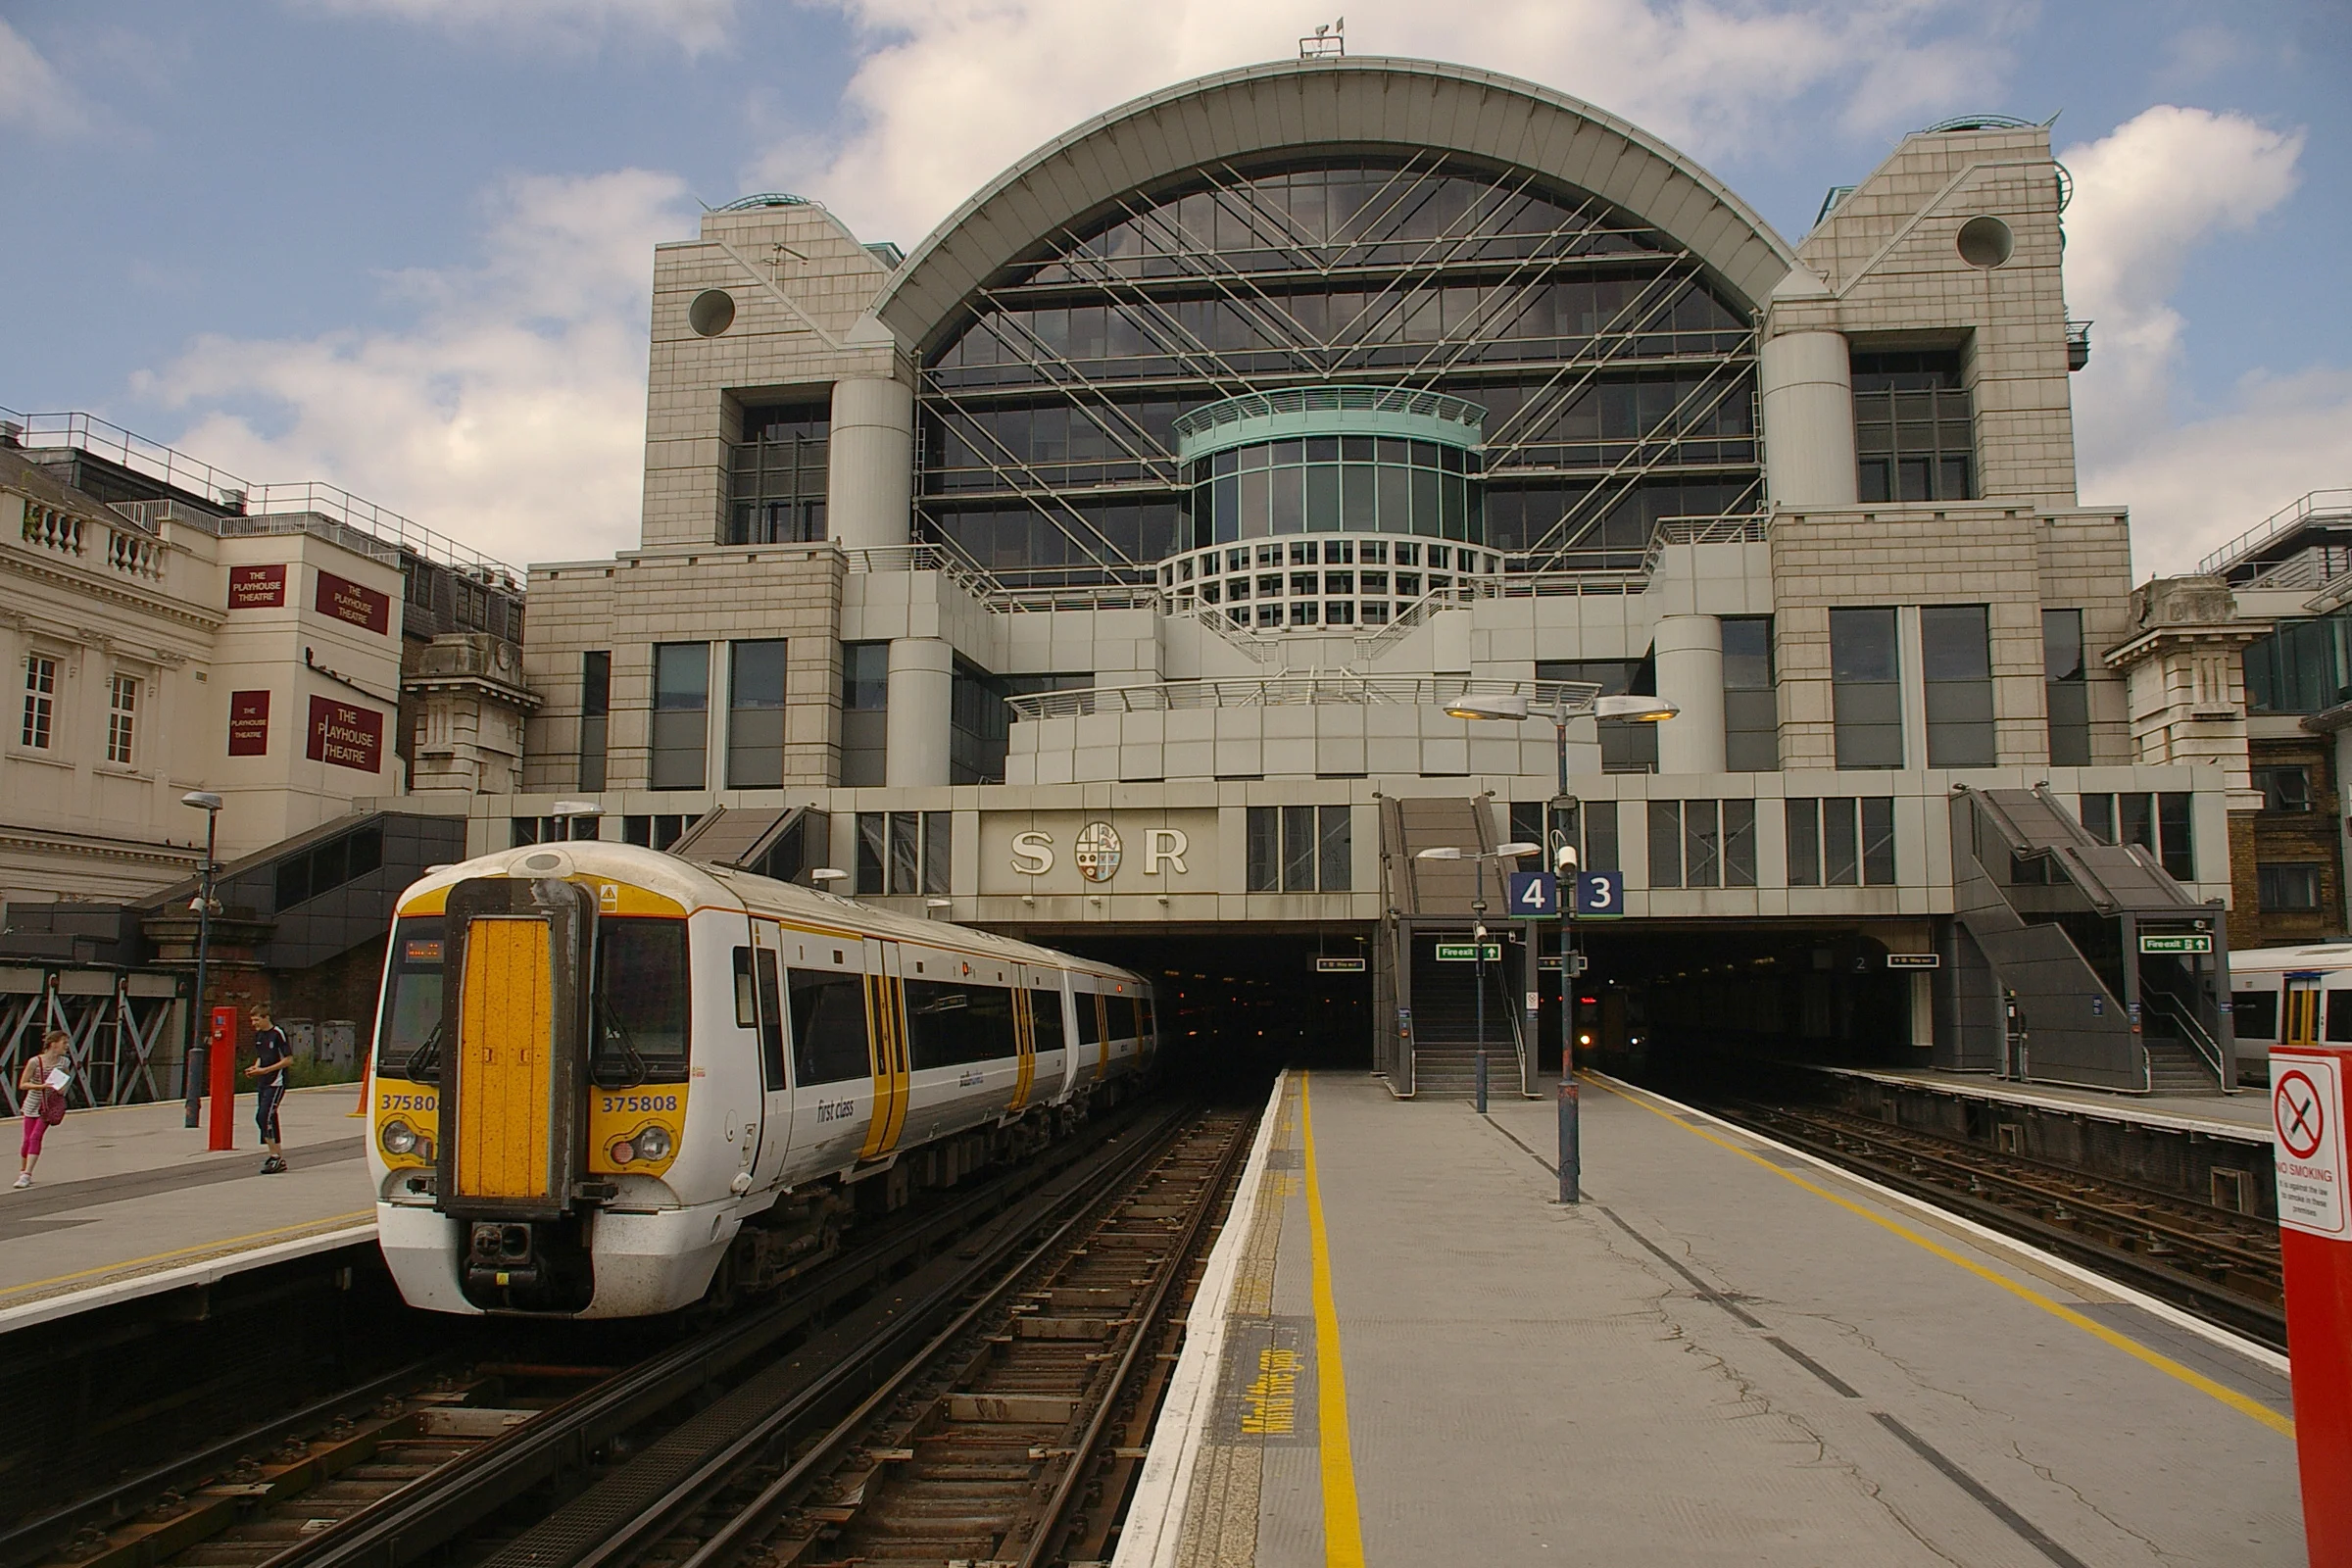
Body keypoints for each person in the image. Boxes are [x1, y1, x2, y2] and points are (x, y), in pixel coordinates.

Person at [16, 1029, 71, 1189]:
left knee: (35, 1137)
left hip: (49, 1106)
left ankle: (27, 1174)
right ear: (53, 1044)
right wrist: (41, 1086)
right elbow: (23, 1084)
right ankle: (23, 1170)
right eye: (64, 1043)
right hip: (33, 1103)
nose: (66, 1046)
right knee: (27, 1140)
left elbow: (66, 1078)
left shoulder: (64, 1062)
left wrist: (62, 1089)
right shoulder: (35, 1062)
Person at [245, 1004, 292, 1174]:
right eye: (252, 1020)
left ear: (266, 1018)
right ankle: (276, 1155)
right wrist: (256, 1067)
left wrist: (265, 1070)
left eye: (256, 1020)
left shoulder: (278, 1034)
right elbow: (261, 1056)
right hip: (263, 1082)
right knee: (270, 1117)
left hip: (276, 1082)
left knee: (263, 1115)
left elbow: (288, 1059)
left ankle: (275, 1155)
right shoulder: (259, 1035)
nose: (254, 1024)